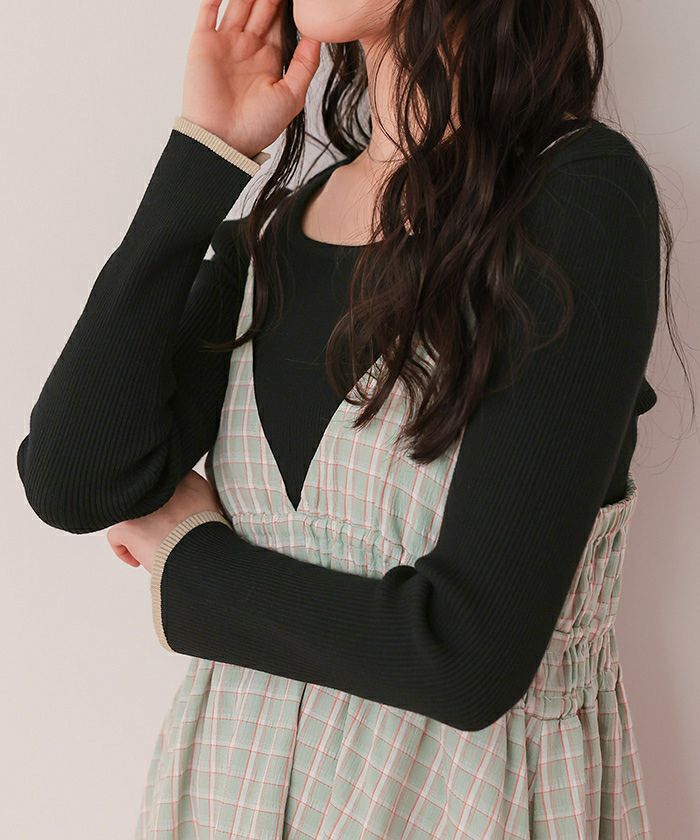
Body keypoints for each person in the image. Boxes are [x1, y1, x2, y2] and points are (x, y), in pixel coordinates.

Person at [16, 0, 670, 837]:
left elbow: (467, 659)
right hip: (227, 797)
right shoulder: (274, 237)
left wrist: (190, 564)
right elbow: (74, 479)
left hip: (461, 808)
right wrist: (204, 153)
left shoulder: (578, 196)